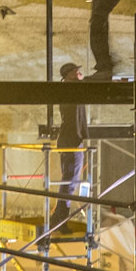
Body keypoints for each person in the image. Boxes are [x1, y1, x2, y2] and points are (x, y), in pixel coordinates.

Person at [47, 62, 90, 232]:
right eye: (74, 71)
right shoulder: (70, 90)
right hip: (71, 140)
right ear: (67, 75)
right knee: (70, 181)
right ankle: (60, 221)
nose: (78, 72)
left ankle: (58, 218)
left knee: (69, 181)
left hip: (70, 139)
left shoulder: (70, 89)